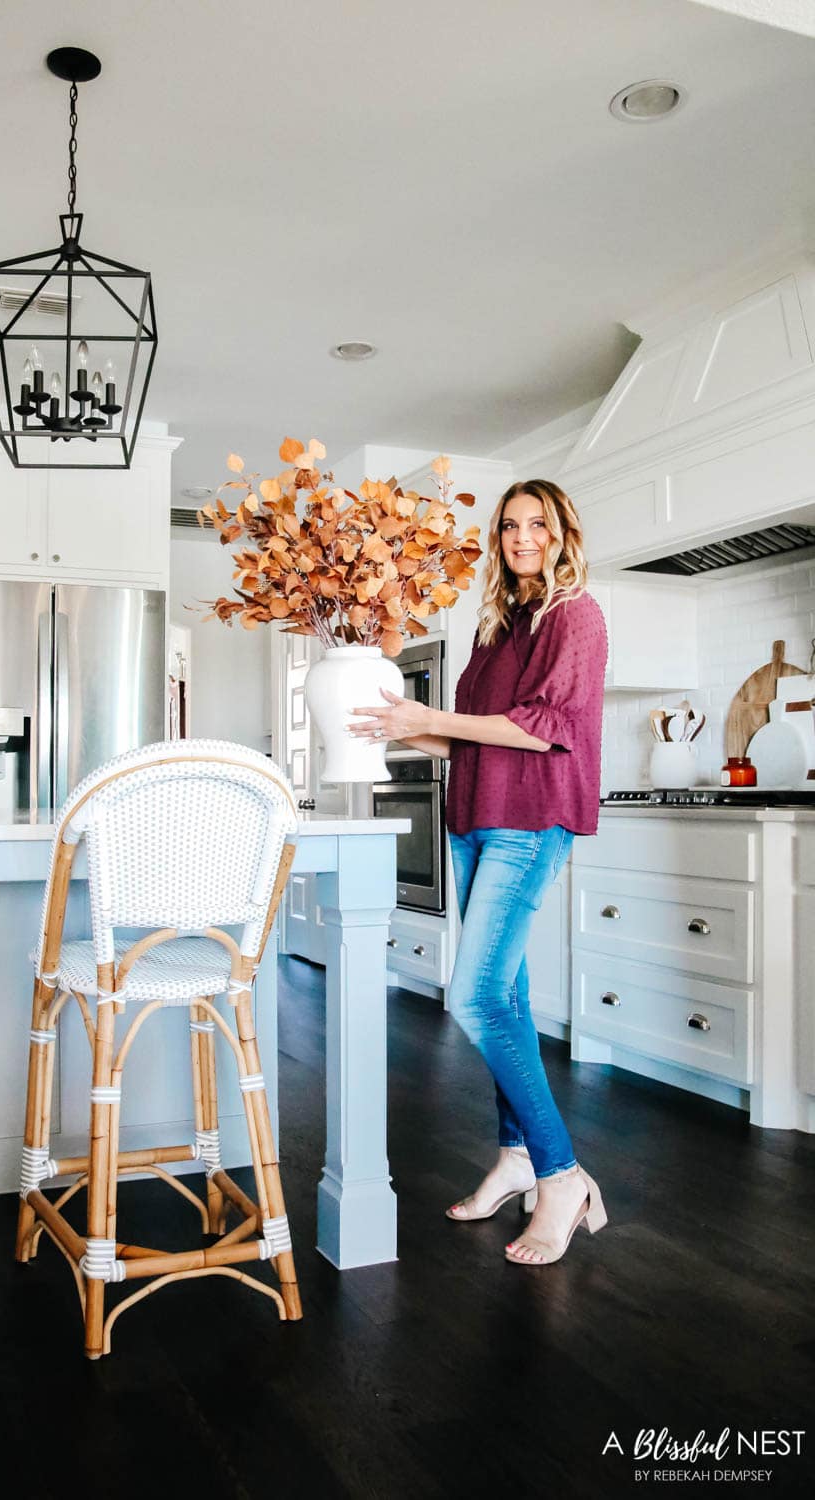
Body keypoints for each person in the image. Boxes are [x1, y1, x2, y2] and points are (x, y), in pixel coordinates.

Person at [350, 478, 608, 1266]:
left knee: (475, 995)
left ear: (564, 530)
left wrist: (431, 718)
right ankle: (517, 1157)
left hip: (532, 824)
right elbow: (470, 742)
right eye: (508, 527)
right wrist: (388, 726)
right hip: (476, 821)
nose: (522, 537)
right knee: (510, 996)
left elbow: (543, 730)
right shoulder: (497, 627)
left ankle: (562, 1175)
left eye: (537, 524)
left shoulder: (578, 616)